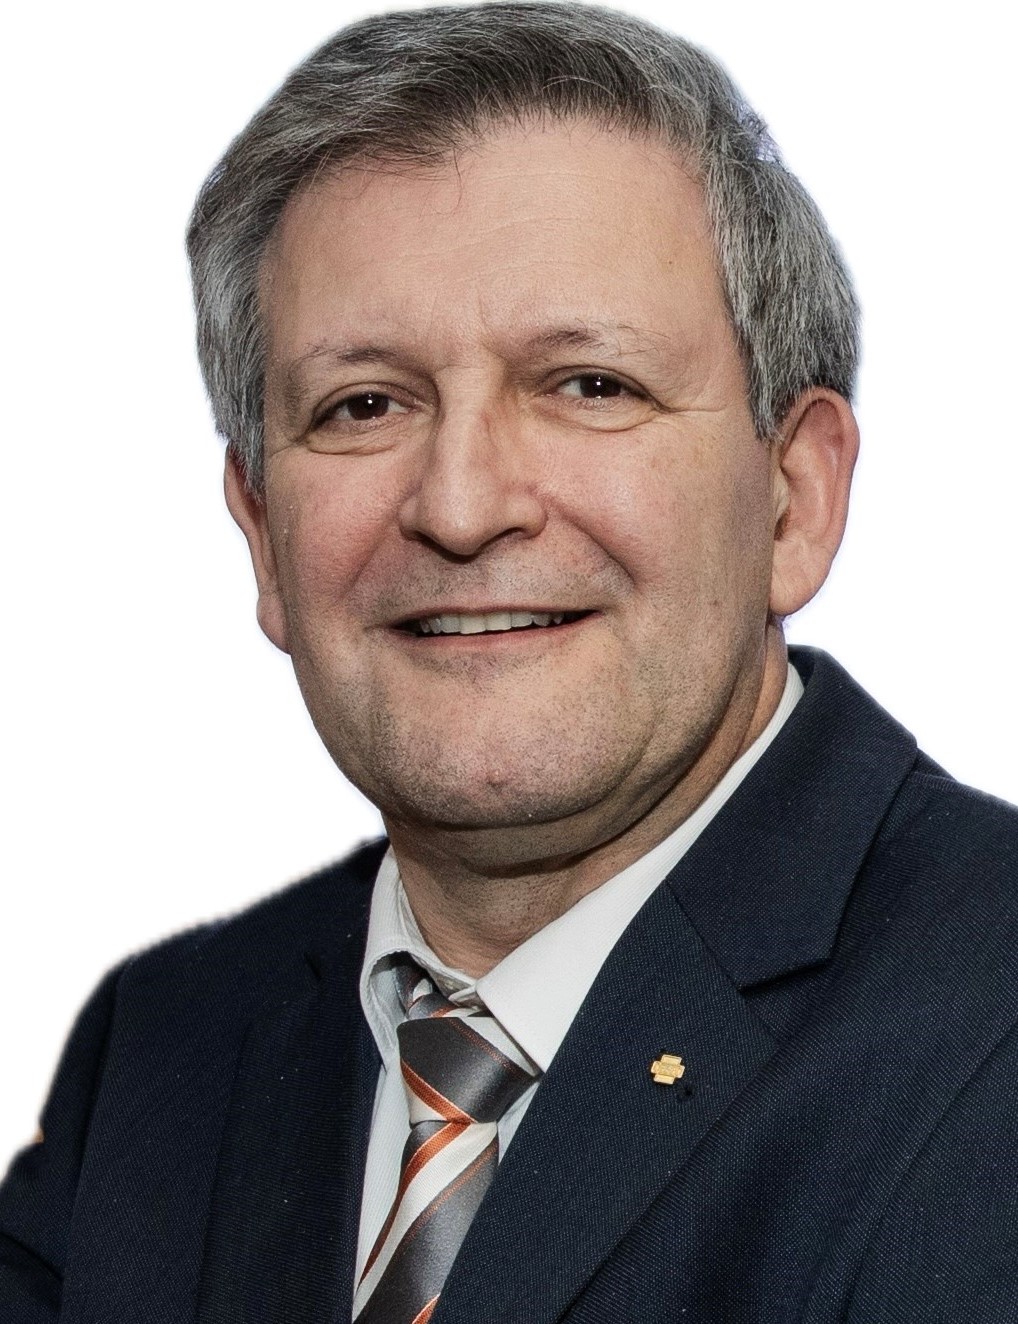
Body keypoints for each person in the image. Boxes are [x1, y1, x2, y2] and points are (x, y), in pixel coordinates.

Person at [3, 2, 1017, 1320]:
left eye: (589, 385)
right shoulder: (160, 1054)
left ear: (792, 499)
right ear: (261, 535)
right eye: (364, 405)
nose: (463, 505)